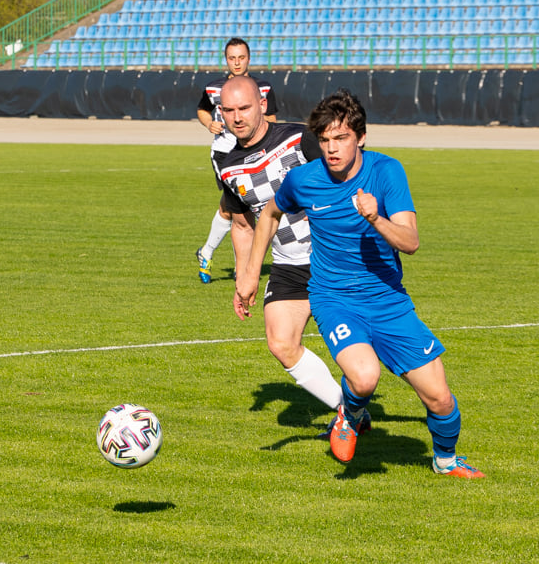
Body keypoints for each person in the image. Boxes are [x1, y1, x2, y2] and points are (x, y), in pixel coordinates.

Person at [236, 89, 484, 478]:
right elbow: (268, 215)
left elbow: (411, 242)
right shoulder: (303, 179)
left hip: (388, 300)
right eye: (325, 140)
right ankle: (349, 416)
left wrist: (375, 218)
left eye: (341, 138)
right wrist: (251, 272)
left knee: (440, 399)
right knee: (365, 376)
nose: (332, 149)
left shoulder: (387, 172)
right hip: (334, 298)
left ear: (361, 137)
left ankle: (445, 460)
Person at [216, 76, 353, 430]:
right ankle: (350, 413)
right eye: (228, 110)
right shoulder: (227, 165)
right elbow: (244, 225)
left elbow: (346, 176)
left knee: (364, 353)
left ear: (262, 104)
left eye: (244, 108)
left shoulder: (299, 138)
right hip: (289, 266)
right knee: (280, 343)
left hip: (333, 260)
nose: (237, 117)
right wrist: (244, 276)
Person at [195, 37, 279, 283]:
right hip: (224, 155)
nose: (237, 62)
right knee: (242, 213)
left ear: (249, 59)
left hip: (254, 155)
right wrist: (209, 122)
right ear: (226, 60)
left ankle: (207, 252)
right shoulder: (214, 88)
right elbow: (202, 109)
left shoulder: (262, 88)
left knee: (229, 208)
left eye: (241, 57)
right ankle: (242, 271)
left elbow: (272, 120)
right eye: (232, 58)